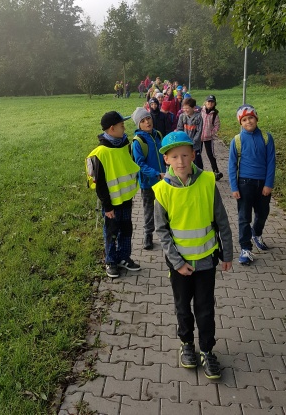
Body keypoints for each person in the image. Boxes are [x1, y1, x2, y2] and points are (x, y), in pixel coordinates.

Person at [153, 131, 233, 378]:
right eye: (175, 156)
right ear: (166, 159)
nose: (181, 161)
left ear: (194, 155)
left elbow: (222, 221)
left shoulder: (207, 182)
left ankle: (207, 350)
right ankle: (187, 344)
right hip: (179, 266)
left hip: (206, 261)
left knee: (205, 308)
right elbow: (162, 231)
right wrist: (177, 263)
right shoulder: (162, 191)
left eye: (185, 155)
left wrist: (227, 253)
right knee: (182, 307)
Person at [86, 111, 141, 278]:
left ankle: (124, 257)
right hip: (111, 204)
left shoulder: (125, 145)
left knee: (126, 229)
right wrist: (107, 206)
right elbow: (100, 184)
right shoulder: (100, 153)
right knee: (111, 232)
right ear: (112, 129)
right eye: (122, 125)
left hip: (126, 199)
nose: (124, 128)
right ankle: (110, 261)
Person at [228, 104, 276, 266]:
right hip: (244, 184)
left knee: (262, 213)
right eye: (244, 120)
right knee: (244, 217)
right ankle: (245, 248)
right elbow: (232, 165)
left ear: (256, 119)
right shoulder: (237, 140)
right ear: (240, 123)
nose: (248, 122)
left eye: (251, 118)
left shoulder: (266, 138)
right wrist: (234, 187)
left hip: (263, 184)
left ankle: (257, 233)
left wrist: (268, 184)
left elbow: (271, 162)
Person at [131, 107, 165, 250]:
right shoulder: (138, 141)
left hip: (163, 180)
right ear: (138, 124)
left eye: (148, 118)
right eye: (143, 121)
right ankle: (148, 235)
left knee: (164, 208)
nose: (147, 122)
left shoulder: (158, 135)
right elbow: (139, 164)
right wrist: (156, 173)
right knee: (149, 210)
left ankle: (167, 233)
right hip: (148, 182)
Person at [176, 97, 203, 169]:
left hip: (195, 145)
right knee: (186, 162)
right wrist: (182, 140)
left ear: (193, 108)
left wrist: (192, 142)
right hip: (185, 144)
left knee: (197, 163)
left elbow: (199, 131)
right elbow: (179, 128)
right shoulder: (182, 116)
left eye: (187, 108)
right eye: (184, 108)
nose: (185, 110)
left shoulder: (198, 117)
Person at [201, 95, 223, 181]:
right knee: (197, 154)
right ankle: (198, 171)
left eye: (212, 102)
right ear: (205, 102)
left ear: (214, 104)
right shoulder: (200, 111)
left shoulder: (214, 114)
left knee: (210, 155)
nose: (210, 103)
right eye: (208, 102)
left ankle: (215, 171)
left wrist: (211, 132)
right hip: (199, 137)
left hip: (208, 138)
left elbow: (217, 125)